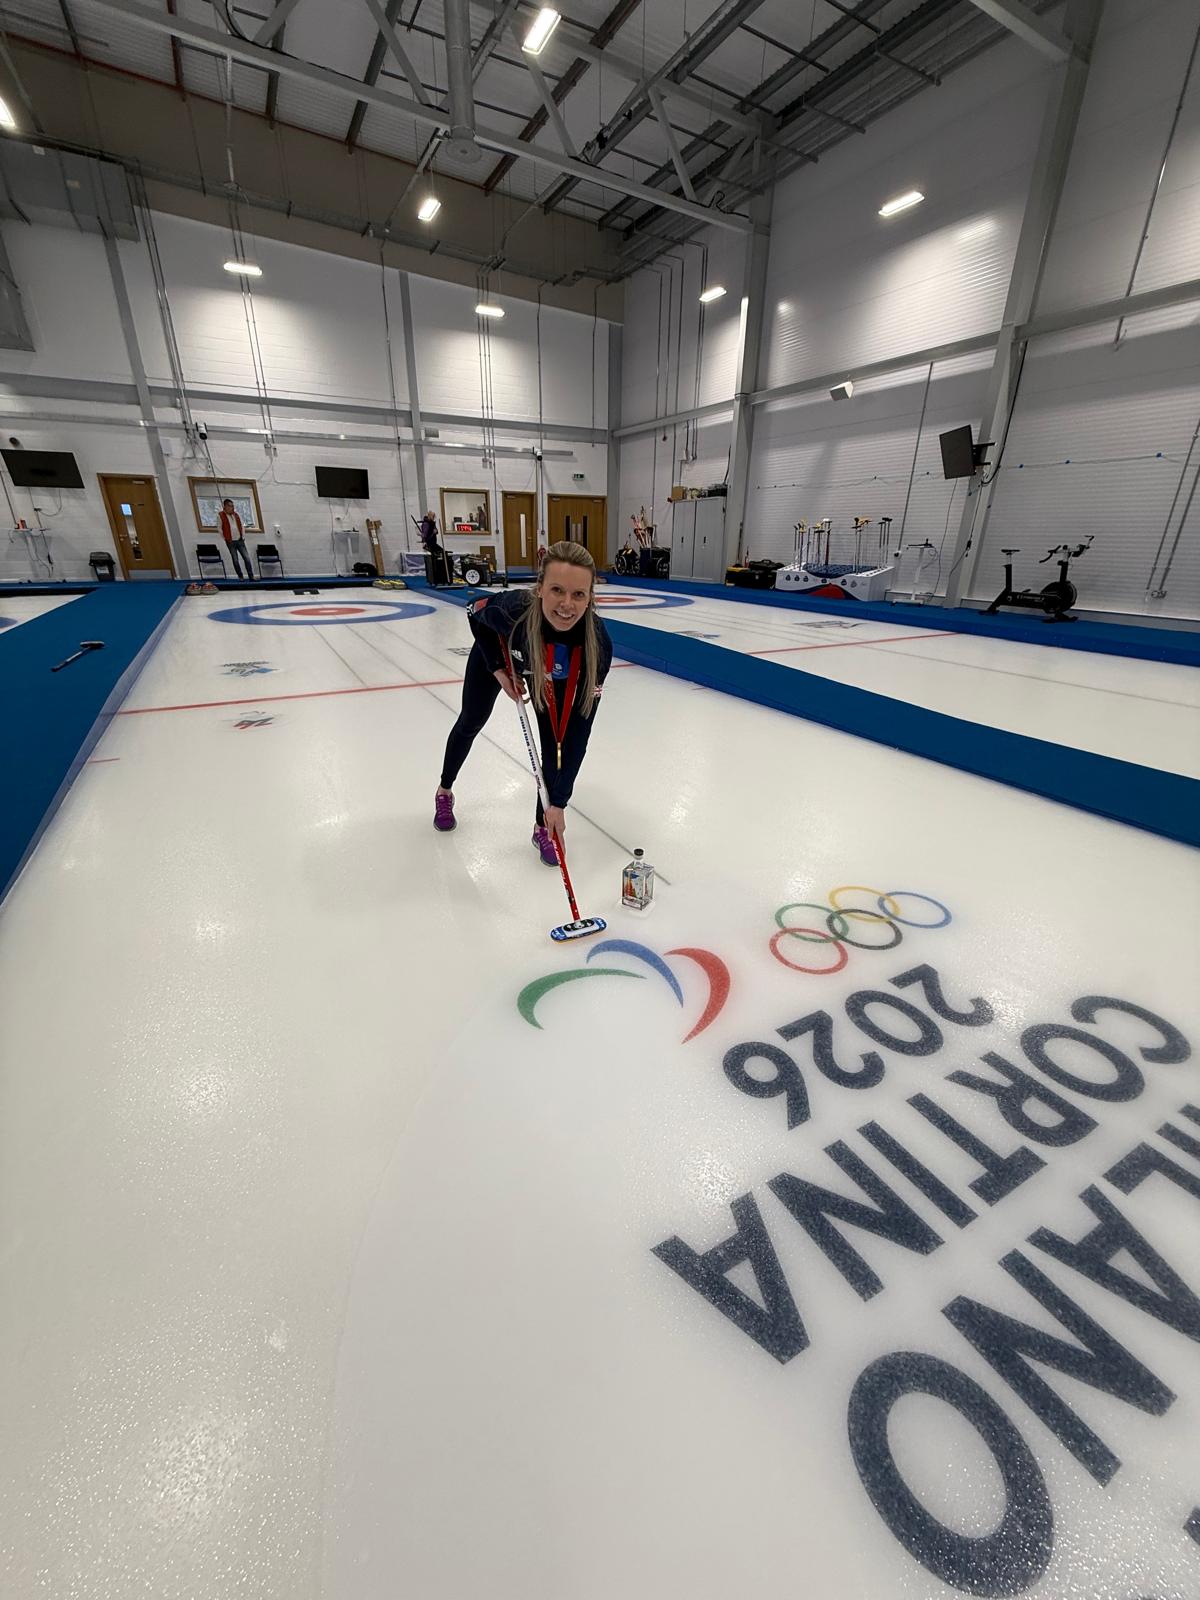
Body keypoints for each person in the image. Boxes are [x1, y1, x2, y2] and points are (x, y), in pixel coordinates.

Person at [434, 541, 612, 865]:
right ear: (540, 588)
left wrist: (558, 802)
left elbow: (578, 732)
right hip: (501, 656)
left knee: (553, 747)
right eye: (557, 590)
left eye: (578, 594)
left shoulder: (596, 646)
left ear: (590, 597)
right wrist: (498, 670)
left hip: (548, 676)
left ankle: (541, 826)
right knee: (471, 722)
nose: (566, 605)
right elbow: (474, 612)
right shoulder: (514, 609)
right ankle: (444, 790)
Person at [218, 498, 253, 581]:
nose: (232, 508)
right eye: (230, 506)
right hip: (230, 542)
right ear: (225, 506)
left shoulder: (236, 515)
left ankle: (251, 576)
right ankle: (240, 576)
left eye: (232, 506)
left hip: (240, 540)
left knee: (247, 558)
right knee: (235, 560)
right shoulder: (220, 515)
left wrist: (243, 536)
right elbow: (219, 529)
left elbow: (241, 526)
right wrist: (225, 538)